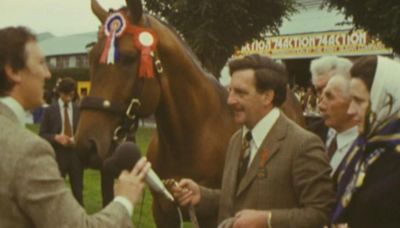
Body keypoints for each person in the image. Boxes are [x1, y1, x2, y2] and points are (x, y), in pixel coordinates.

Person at [0, 26, 149, 227]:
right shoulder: (28, 151)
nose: (47, 74)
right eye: (42, 63)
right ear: (13, 71)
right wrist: (124, 199)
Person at [171, 54, 335, 227]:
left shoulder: (303, 145)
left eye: (240, 93)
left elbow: (320, 214)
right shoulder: (236, 140)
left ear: (267, 96)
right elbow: (240, 198)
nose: (230, 100)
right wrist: (202, 196)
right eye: (230, 91)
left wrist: (267, 220)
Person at [332, 55, 400, 227]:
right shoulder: (364, 146)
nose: (350, 110)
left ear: (386, 101)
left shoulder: (394, 157)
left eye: (359, 101)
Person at [39, 77, 84, 205]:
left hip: (75, 155)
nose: (69, 98)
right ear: (60, 93)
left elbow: (82, 131)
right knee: (55, 191)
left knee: (78, 191)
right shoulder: (49, 111)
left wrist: (76, 139)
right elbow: (42, 134)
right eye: (66, 94)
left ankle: (79, 220)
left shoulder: (78, 110)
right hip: (58, 155)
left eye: (71, 94)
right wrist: (56, 137)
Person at [318, 74, 358, 177]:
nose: (320, 106)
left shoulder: (366, 150)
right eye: (322, 96)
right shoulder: (318, 137)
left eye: (329, 97)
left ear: (353, 103)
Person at [308, 56, 353, 143]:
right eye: (318, 91)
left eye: (329, 93)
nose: (321, 99)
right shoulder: (310, 136)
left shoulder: (370, 140)